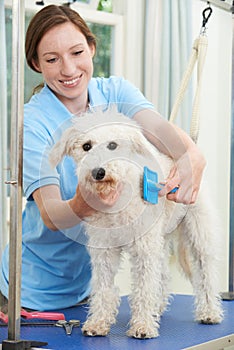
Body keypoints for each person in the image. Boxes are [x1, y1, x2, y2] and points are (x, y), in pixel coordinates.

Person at [0, 4, 206, 311]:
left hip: (86, 290)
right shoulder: (33, 123)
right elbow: (52, 215)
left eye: (77, 52)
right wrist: (87, 202)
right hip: (29, 295)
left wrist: (191, 154)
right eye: (52, 59)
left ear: (92, 48)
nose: (68, 69)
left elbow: (158, 129)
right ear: (36, 63)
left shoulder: (114, 92)